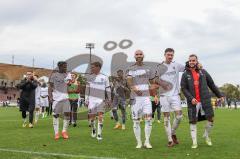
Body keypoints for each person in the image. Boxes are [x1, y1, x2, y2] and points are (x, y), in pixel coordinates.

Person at [181, 54, 224, 149]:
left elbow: (211, 84)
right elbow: (183, 88)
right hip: (193, 102)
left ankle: (207, 136)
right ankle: (194, 142)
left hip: (205, 100)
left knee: (211, 118)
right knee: (193, 121)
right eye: (190, 60)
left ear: (197, 61)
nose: (192, 62)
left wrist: (220, 95)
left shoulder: (203, 72)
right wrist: (190, 98)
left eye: (194, 60)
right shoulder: (185, 74)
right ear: (188, 61)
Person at [156, 48, 186, 147]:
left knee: (179, 116)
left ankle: (172, 132)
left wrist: (198, 65)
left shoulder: (176, 65)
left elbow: (188, 67)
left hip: (175, 95)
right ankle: (170, 140)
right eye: (168, 54)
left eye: (171, 55)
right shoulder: (159, 67)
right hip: (164, 95)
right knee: (166, 118)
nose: (170, 56)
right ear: (164, 55)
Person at [127, 50, 157, 149]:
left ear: (143, 55)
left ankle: (147, 142)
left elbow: (152, 83)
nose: (139, 55)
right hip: (135, 99)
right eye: (137, 54)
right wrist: (134, 88)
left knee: (148, 120)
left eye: (140, 54)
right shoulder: (131, 69)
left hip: (146, 98)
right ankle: (139, 142)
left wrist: (155, 95)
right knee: (136, 121)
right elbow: (129, 81)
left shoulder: (149, 68)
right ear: (134, 56)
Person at [85, 62, 111, 141]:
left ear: (98, 67)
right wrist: (86, 99)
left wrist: (109, 99)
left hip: (101, 100)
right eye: (91, 67)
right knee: (92, 119)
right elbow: (87, 89)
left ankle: (99, 134)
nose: (91, 68)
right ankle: (93, 129)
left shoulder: (105, 77)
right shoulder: (89, 77)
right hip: (91, 100)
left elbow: (108, 89)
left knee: (100, 117)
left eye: (93, 67)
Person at [49, 61, 71, 140]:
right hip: (56, 99)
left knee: (67, 114)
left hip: (65, 98)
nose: (65, 68)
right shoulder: (54, 75)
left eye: (66, 66)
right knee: (55, 115)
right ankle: (56, 133)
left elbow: (69, 84)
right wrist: (50, 96)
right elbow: (50, 86)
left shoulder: (68, 74)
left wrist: (69, 80)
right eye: (64, 67)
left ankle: (64, 131)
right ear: (59, 67)